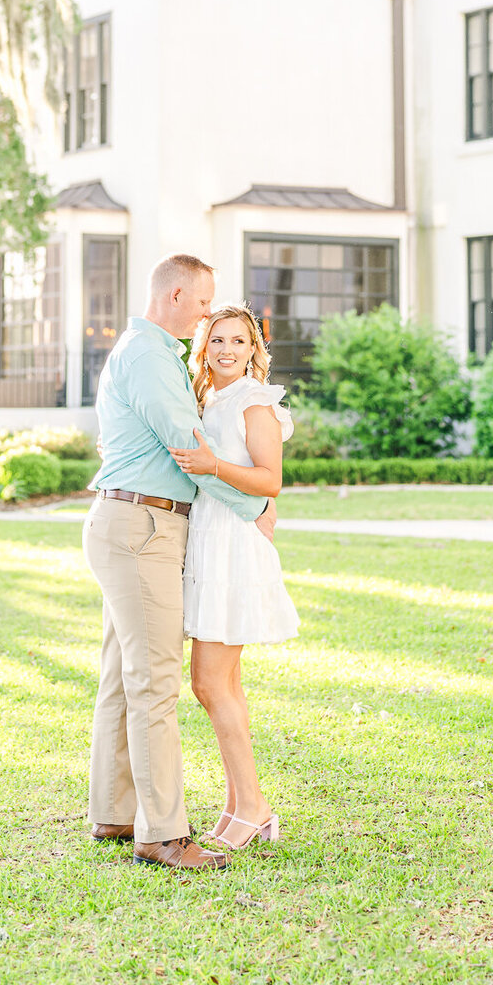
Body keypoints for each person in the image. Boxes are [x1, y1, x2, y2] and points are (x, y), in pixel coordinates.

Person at [82, 253, 275, 872]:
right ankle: (162, 834)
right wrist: (255, 505)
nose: (204, 316)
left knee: (122, 675)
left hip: (130, 520)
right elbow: (190, 451)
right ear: (174, 296)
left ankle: (115, 811)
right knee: (154, 683)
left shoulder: (153, 357)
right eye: (201, 304)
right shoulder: (148, 358)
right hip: (143, 526)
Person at [171, 303, 297, 851]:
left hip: (232, 549)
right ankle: (239, 804)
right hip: (208, 539)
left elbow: (270, 481)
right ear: (204, 348)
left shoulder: (255, 401)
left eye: (238, 341)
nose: (226, 350)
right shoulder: (209, 398)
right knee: (224, 685)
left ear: (254, 350)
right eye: (216, 340)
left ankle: (254, 806)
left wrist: (213, 466)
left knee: (208, 683)